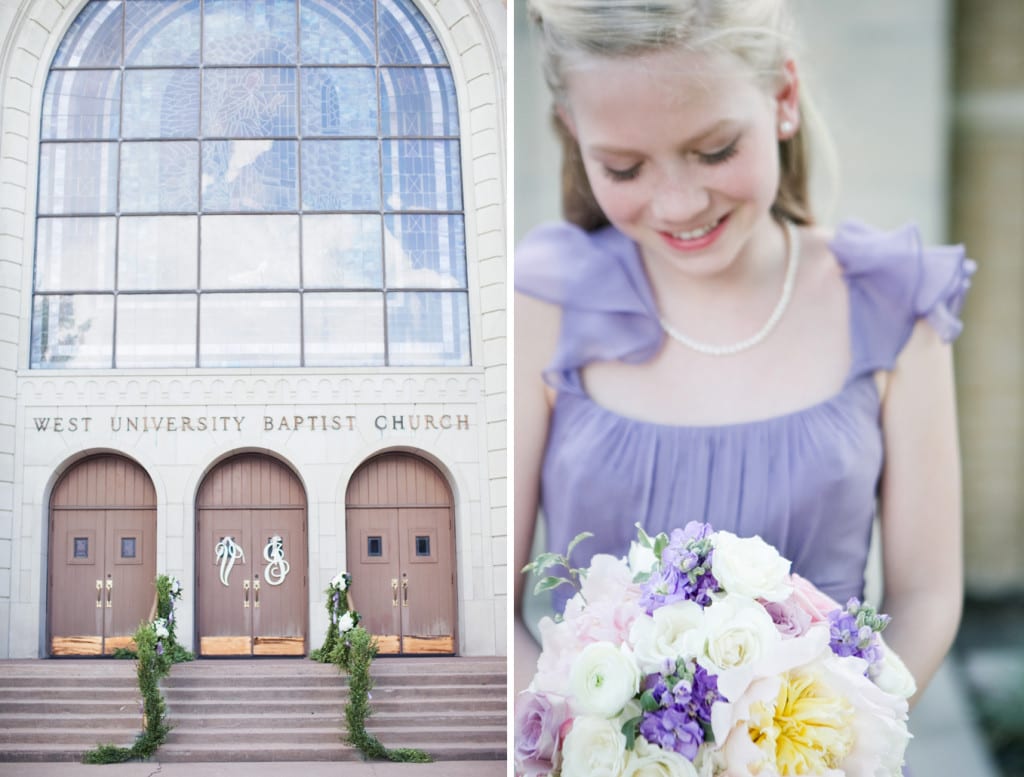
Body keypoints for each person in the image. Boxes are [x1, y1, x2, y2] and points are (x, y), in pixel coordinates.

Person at [513, 0, 975, 711]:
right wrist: (580, 737)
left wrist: (828, 742)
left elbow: (926, 595)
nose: (677, 203)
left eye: (715, 150)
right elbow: (490, 600)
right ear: (575, 134)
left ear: (783, 99)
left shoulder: (892, 305)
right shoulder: (541, 302)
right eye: (624, 166)